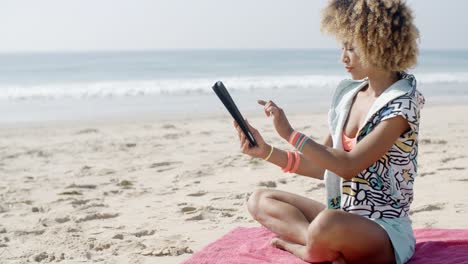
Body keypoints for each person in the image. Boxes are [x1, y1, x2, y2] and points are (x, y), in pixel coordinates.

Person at [233, 0, 424, 263]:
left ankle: (308, 248)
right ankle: (320, 244)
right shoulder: (350, 96)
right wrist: (266, 152)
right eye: (342, 48)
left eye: (351, 48)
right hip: (343, 214)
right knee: (259, 199)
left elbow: (348, 166)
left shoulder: (401, 105)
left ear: (377, 44)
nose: (343, 58)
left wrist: (290, 132)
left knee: (327, 222)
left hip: (384, 231)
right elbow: (321, 166)